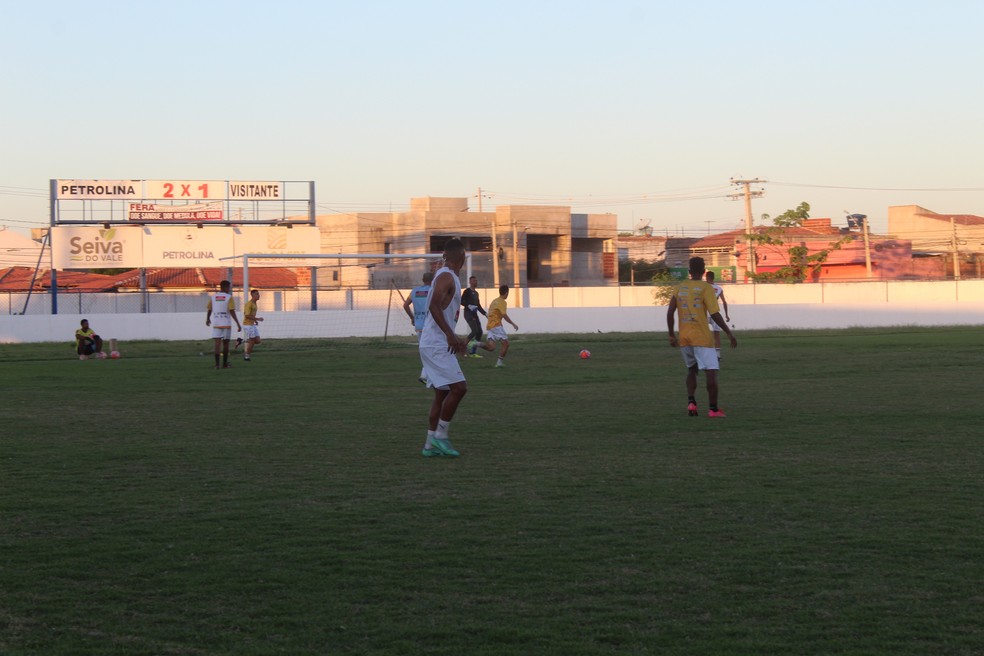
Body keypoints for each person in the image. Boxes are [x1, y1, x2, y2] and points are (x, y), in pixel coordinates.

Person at [667, 257, 737, 418]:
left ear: (689, 271)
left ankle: (691, 402)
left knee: (692, 370)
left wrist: (671, 334)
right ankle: (713, 409)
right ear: (704, 271)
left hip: (685, 337)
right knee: (711, 372)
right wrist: (729, 333)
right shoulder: (706, 288)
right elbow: (714, 314)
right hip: (703, 338)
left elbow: (670, 312)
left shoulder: (679, 288)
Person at [418, 239, 469, 457]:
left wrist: (454, 338)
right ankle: (441, 436)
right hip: (436, 343)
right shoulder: (447, 276)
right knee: (459, 388)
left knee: (442, 393)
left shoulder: (448, 276)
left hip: (435, 342)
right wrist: (450, 335)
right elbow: (433, 305)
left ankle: (429, 445)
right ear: (463, 258)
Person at [469, 284, 519, 368]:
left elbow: (492, 313)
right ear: (506, 293)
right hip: (496, 326)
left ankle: (475, 343)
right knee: (506, 344)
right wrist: (513, 324)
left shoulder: (494, 301)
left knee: (491, 347)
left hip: (490, 326)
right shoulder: (502, 302)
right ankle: (499, 363)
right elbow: (504, 315)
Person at [206, 280, 241, 369]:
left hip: (217, 323)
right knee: (226, 344)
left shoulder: (213, 297)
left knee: (217, 344)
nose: (229, 289)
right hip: (226, 323)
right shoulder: (229, 297)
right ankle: (225, 364)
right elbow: (232, 310)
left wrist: (208, 318)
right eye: (229, 287)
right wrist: (237, 323)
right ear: (225, 287)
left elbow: (209, 308)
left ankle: (217, 365)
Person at [704, 271, 730, 357]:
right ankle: (718, 355)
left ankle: (704, 353)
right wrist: (726, 315)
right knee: (717, 334)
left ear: (707, 277)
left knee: (702, 332)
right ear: (713, 278)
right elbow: (724, 302)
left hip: (704, 313)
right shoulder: (719, 289)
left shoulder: (703, 287)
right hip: (715, 312)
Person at [462, 275, 487, 357]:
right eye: (473, 281)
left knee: (479, 332)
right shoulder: (467, 291)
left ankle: (473, 352)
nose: (475, 282)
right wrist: (468, 305)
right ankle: (462, 348)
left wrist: (485, 313)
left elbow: (478, 305)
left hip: (474, 314)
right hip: (468, 313)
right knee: (474, 331)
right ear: (470, 282)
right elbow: (462, 301)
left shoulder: (476, 293)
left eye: (476, 280)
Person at [403, 271, 434, 338]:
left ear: (423, 280)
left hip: (419, 324)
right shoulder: (433, 291)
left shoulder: (414, 291)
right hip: (431, 324)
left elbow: (405, 305)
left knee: (422, 346)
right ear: (433, 280)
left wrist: (412, 317)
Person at [238, 289, 264, 361]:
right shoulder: (249, 304)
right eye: (257, 294)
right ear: (252, 295)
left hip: (252, 324)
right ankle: (247, 356)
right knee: (252, 340)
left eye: (258, 294)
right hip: (247, 325)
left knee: (258, 341)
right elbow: (246, 315)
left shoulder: (254, 303)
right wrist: (258, 319)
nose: (259, 295)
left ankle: (241, 340)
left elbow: (250, 314)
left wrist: (255, 320)